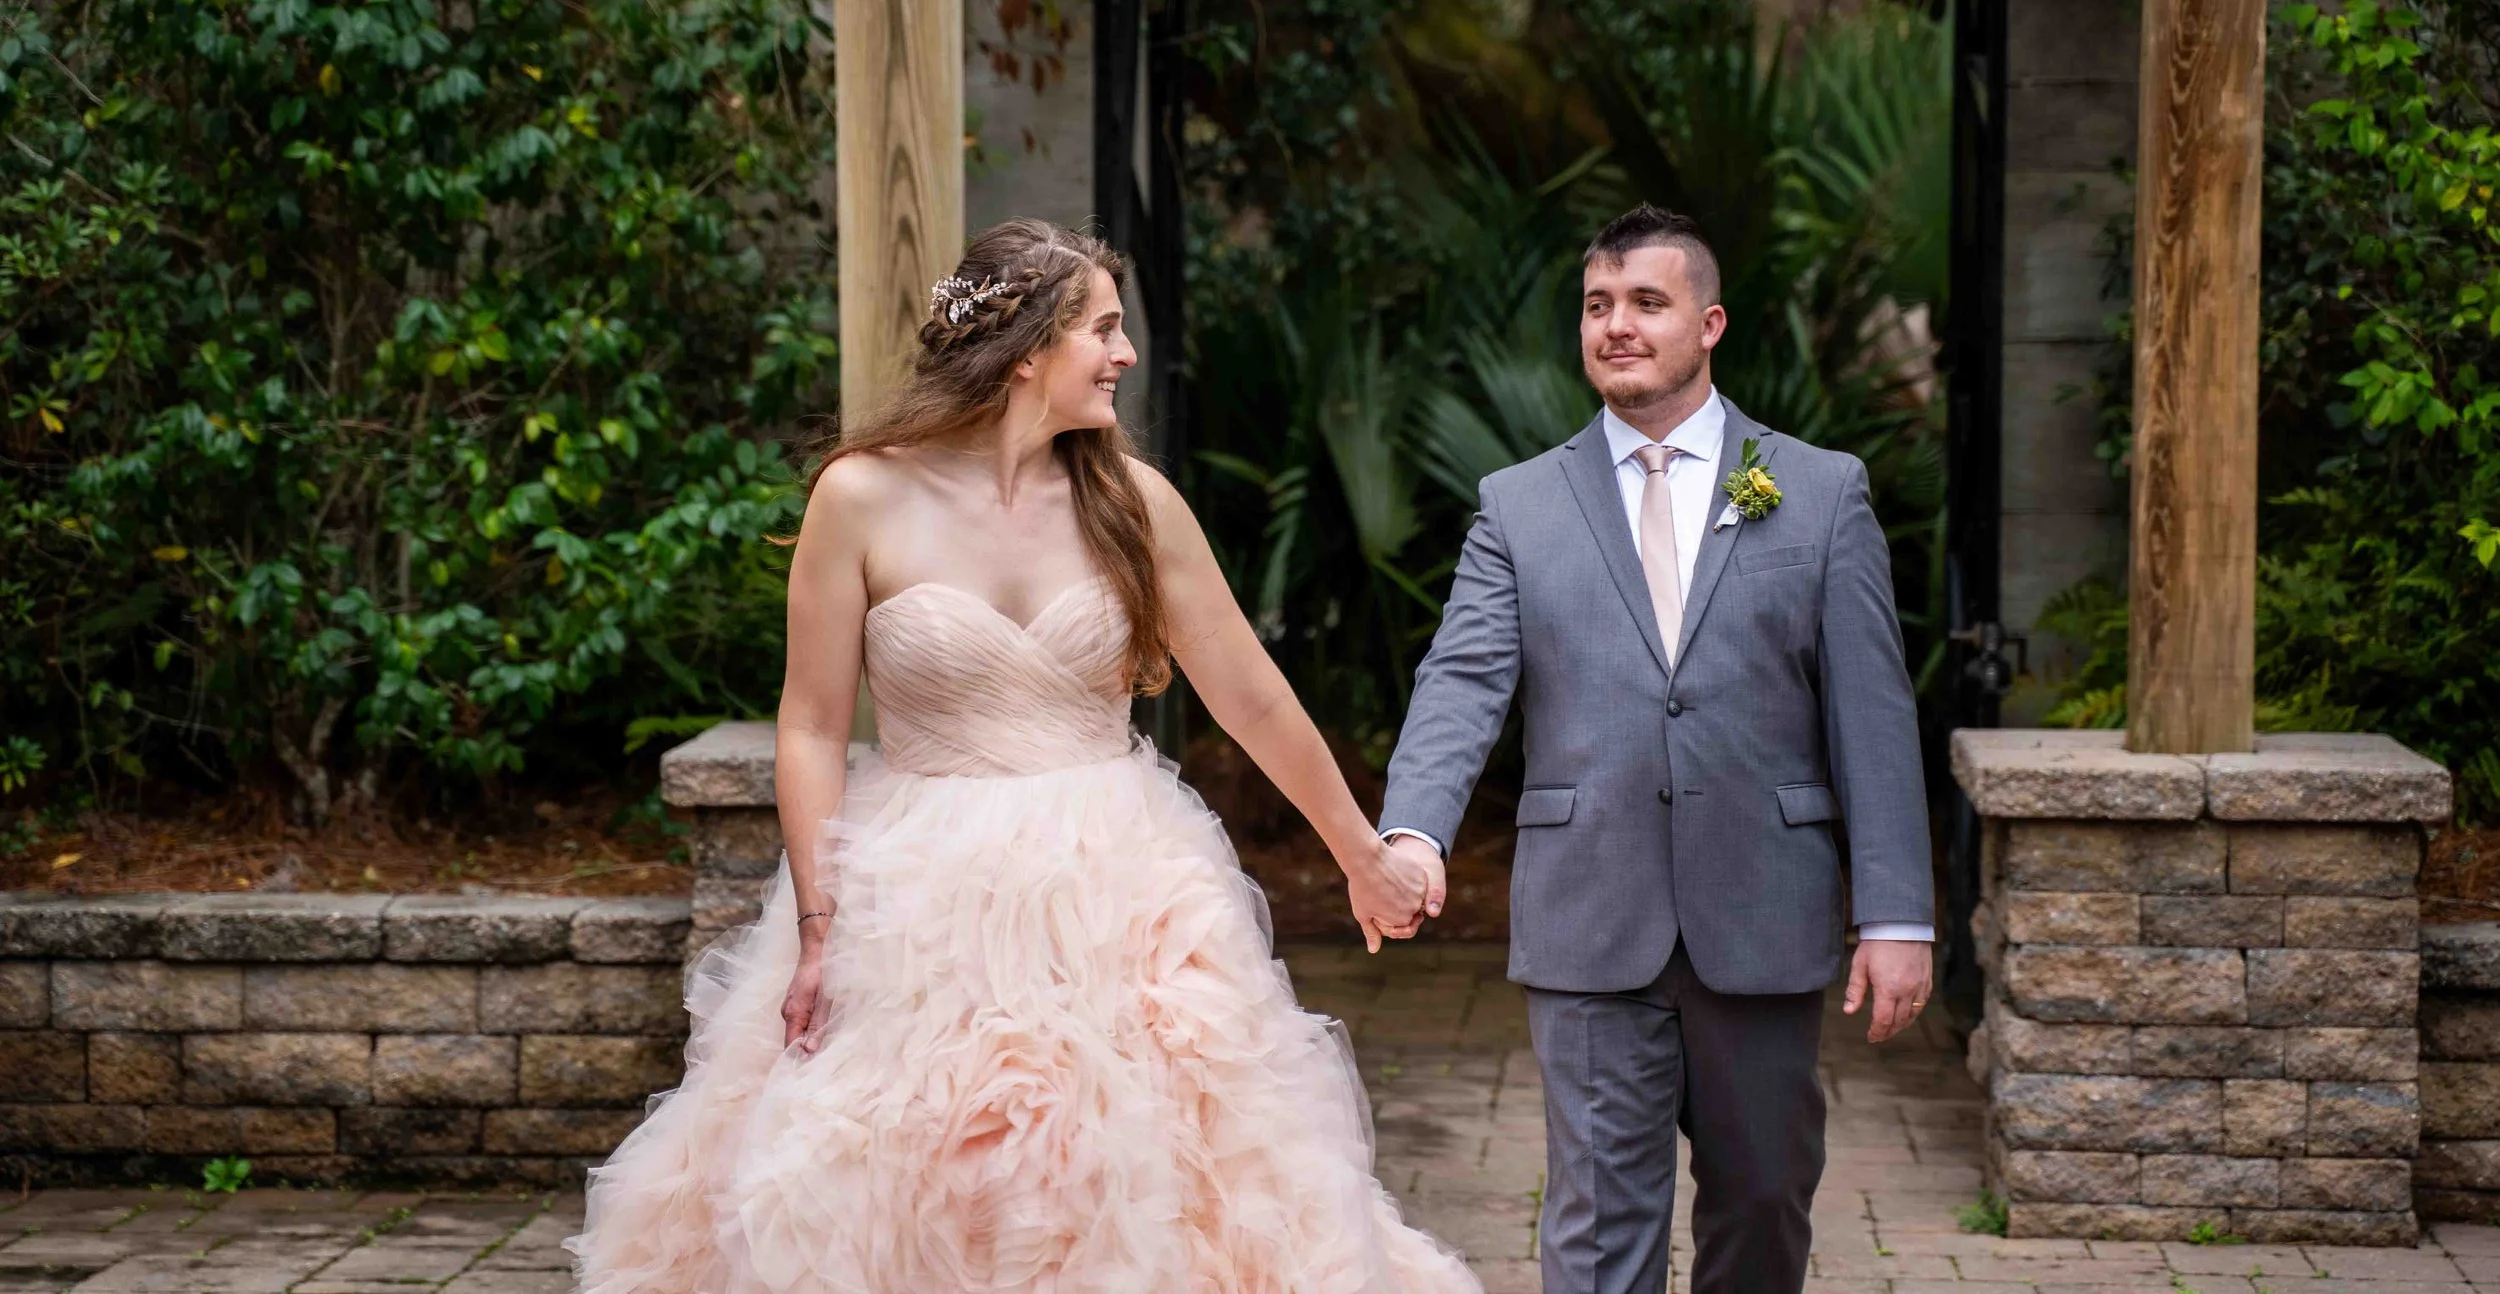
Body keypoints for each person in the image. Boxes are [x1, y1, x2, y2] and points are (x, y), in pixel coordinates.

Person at [567, 218, 1480, 1293]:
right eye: (1104, 328)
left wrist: (1359, 853)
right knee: (910, 1180)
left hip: (1116, 891)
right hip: (915, 893)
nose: (1124, 354)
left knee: (1133, 1177)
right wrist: (818, 925)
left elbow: (1254, 699)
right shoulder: (860, 496)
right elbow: (811, 726)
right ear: (1026, 350)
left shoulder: (1136, 506)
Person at [1375, 204, 1935, 1294]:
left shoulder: (1818, 495)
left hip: (1763, 913)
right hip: (1592, 916)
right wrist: (1414, 830)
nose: (1615, 326)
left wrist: (1896, 915)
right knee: (1595, 1229)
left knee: (1764, 1206)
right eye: (1596, 306)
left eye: (1645, 302)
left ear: (1710, 322)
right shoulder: (1517, 505)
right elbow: (1461, 680)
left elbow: (1871, 715)